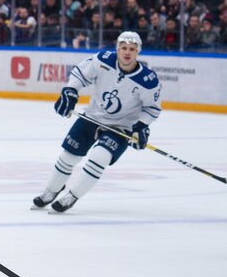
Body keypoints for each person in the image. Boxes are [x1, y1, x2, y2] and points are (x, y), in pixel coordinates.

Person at [32, 31, 162, 213]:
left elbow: (152, 108)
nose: (127, 52)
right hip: (92, 117)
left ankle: (72, 195)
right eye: (123, 48)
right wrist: (70, 90)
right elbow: (79, 74)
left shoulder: (148, 80)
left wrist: (141, 126)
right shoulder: (103, 60)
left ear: (138, 51)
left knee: (99, 157)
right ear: (117, 48)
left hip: (121, 127)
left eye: (132, 49)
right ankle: (51, 190)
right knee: (69, 156)